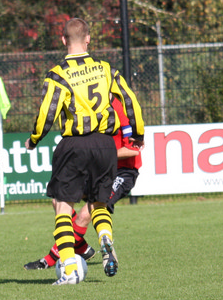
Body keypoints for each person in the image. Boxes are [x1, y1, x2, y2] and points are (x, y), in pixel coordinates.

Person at [26, 18, 144, 286]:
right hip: (105, 144)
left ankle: (69, 269)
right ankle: (105, 237)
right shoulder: (106, 69)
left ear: (63, 40)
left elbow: (47, 113)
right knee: (98, 203)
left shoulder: (58, 74)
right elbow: (130, 101)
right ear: (89, 39)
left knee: (62, 205)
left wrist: (34, 139)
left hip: (75, 145)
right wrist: (138, 134)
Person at [24, 97, 142, 272]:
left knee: (87, 213)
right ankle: (82, 248)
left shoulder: (121, 109)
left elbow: (134, 149)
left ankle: (51, 259)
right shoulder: (90, 102)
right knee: (58, 201)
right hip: (97, 166)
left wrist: (103, 153)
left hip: (122, 172)